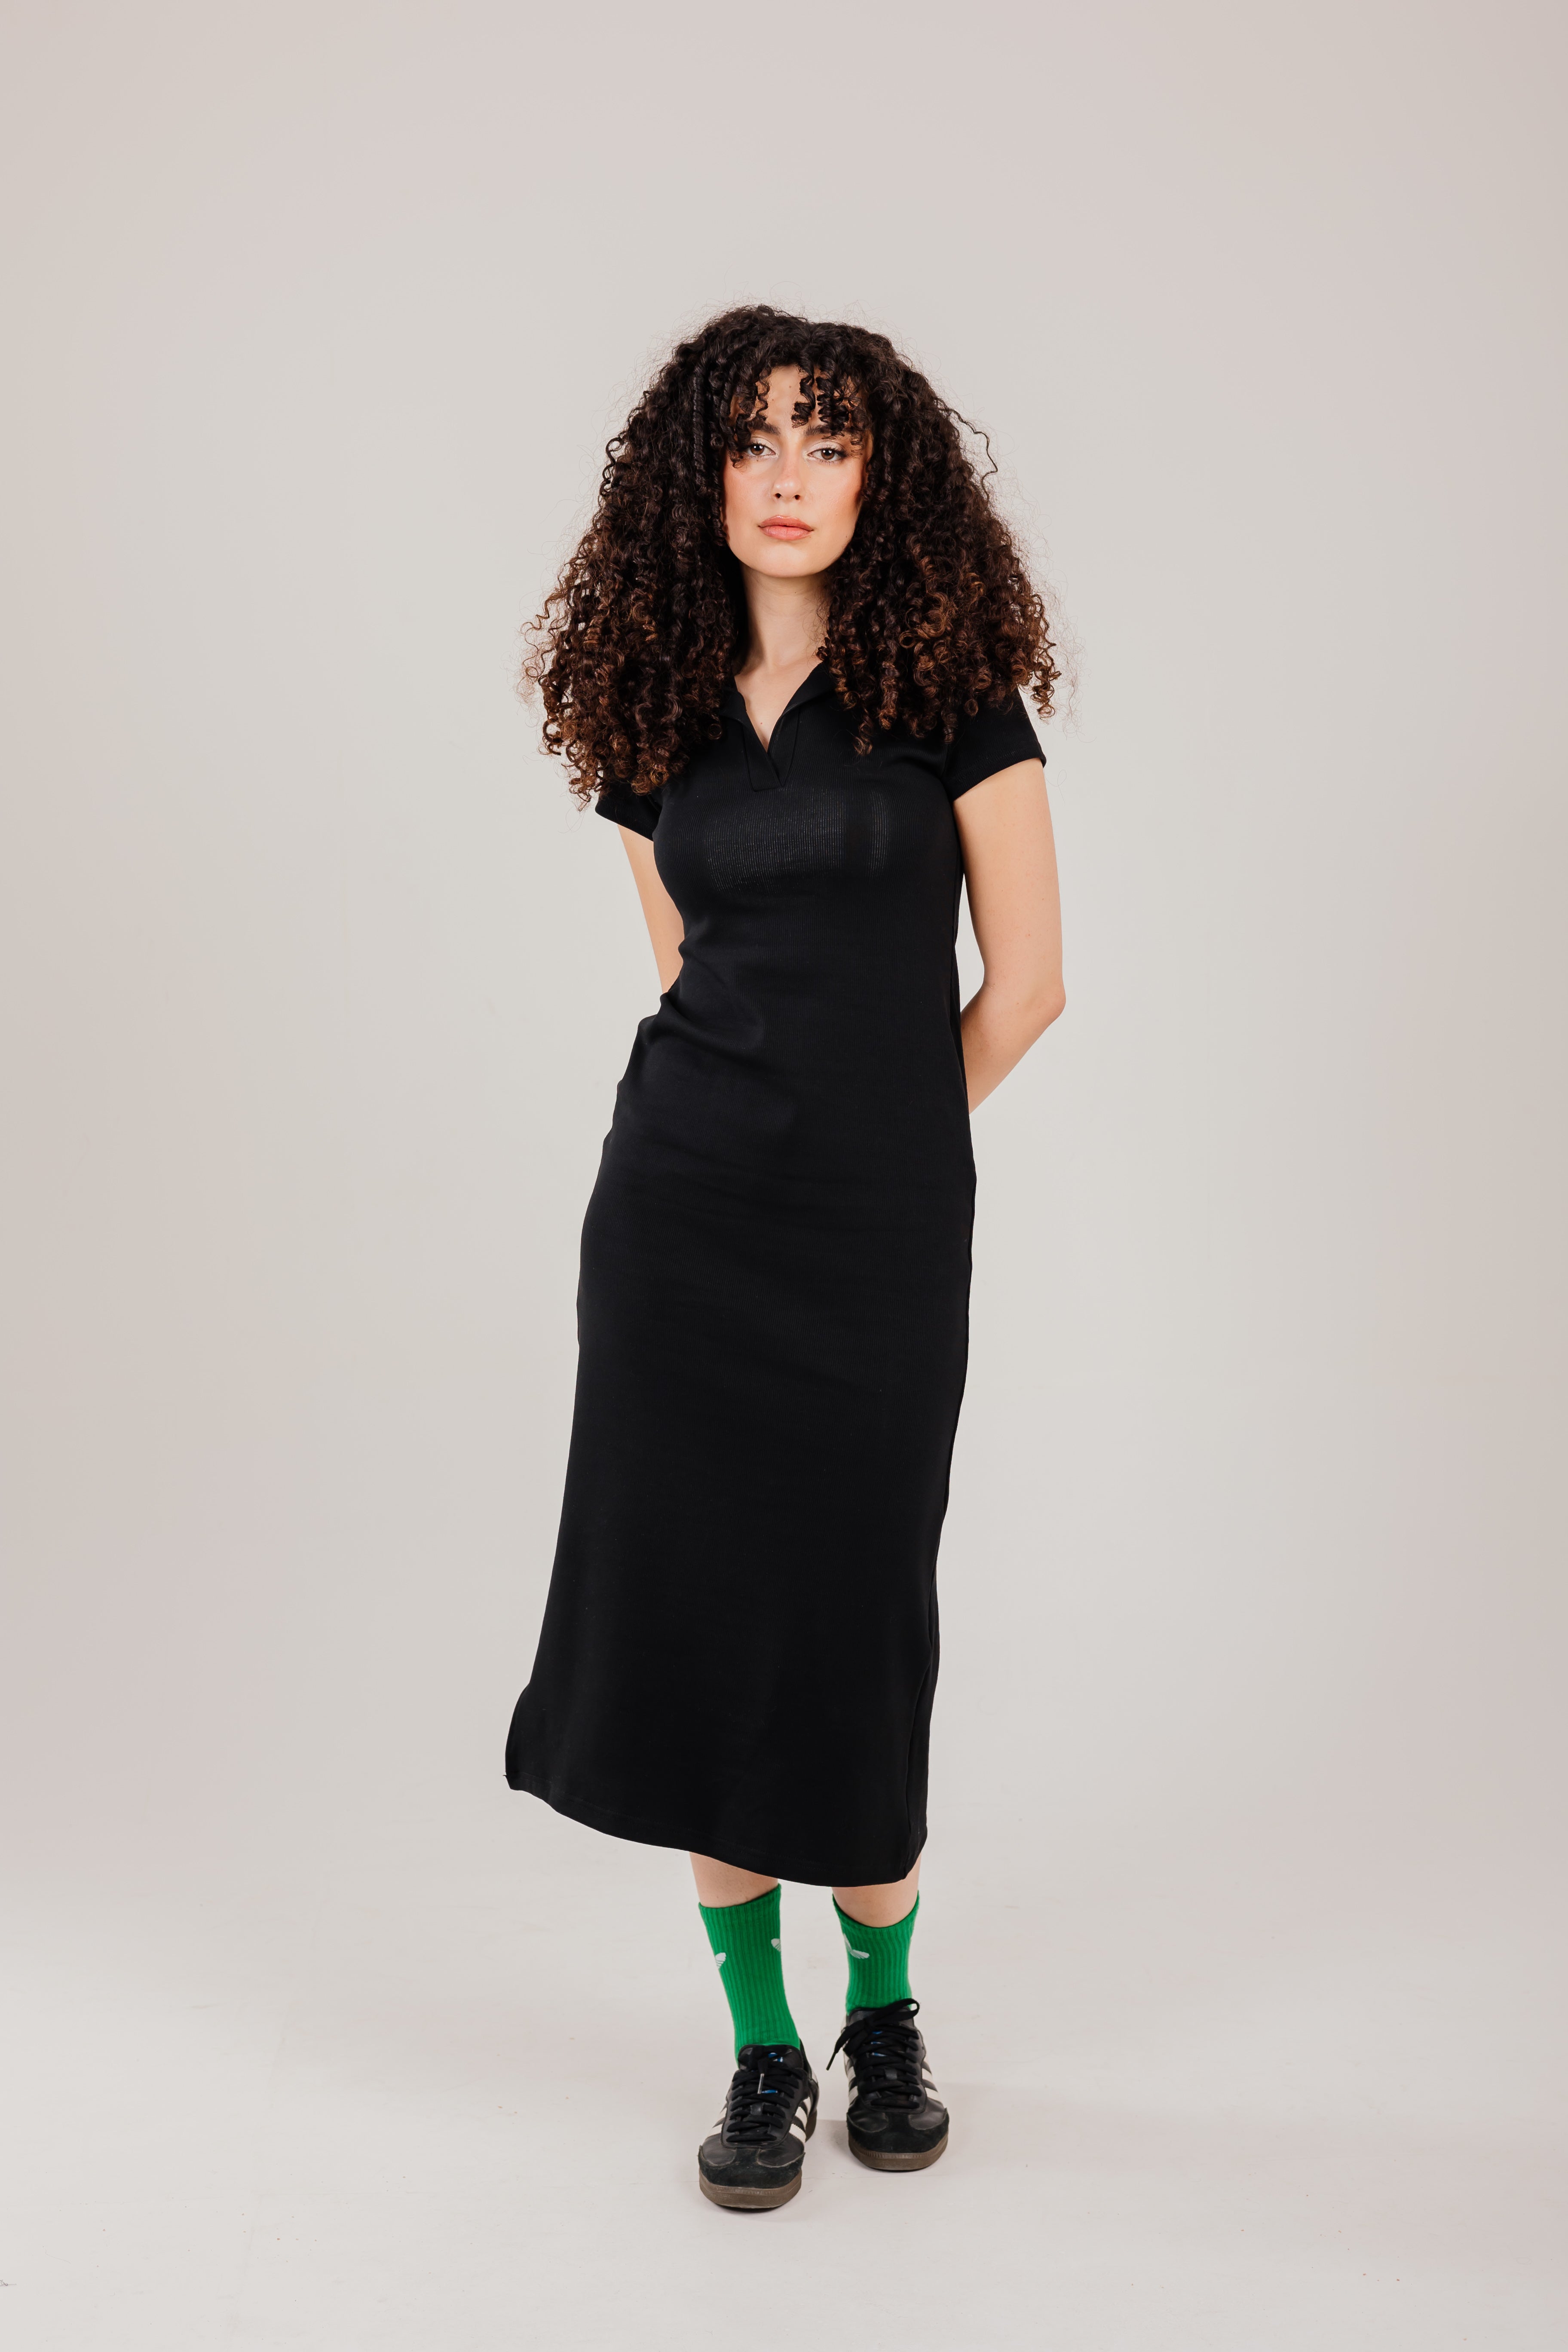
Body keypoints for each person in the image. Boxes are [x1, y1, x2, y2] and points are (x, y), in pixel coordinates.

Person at [507, 306, 1064, 2209]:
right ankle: (761, 2047)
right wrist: (752, 1137)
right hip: (678, 1223)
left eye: (828, 442)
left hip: (876, 1235)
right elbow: (685, 975)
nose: (790, 478)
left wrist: (880, 1140)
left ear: (882, 474)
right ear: (702, 476)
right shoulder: (653, 712)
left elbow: (1031, 984)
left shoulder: (957, 692)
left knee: (853, 1612)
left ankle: (882, 2016)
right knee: (701, 1619)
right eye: (753, 443)